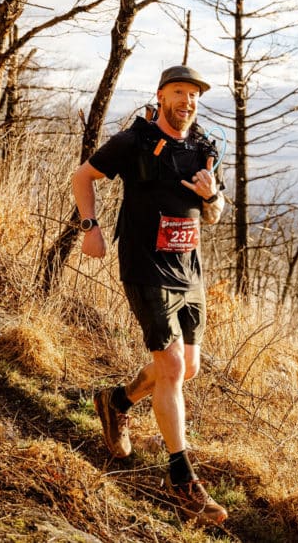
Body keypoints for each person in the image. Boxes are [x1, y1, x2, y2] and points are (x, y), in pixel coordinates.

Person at [71, 65, 228, 526]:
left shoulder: (203, 149)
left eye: (194, 94)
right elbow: (82, 178)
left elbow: (214, 214)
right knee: (173, 366)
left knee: (186, 368)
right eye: (179, 92)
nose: (187, 101)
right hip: (145, 268)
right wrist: (90, 228)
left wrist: (212, 195)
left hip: (190, 273)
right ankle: (181, 480)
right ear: (161, 96)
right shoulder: (133, 142)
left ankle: (116, 402)